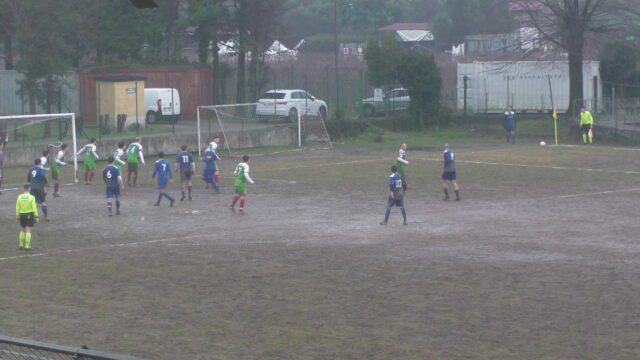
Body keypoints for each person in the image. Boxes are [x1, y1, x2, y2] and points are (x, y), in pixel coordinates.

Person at [15, 184, 38, 250]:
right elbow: (34, 208)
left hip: (22, 215)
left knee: (22, 229)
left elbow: (17, 207)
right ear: (29, 189)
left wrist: (17, 215)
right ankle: (27, 246)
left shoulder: (19, 197)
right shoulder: (32, 197)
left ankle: (21, 245)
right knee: (28, 230)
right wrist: (36, 216)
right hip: (29, 215)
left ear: (24, 189)